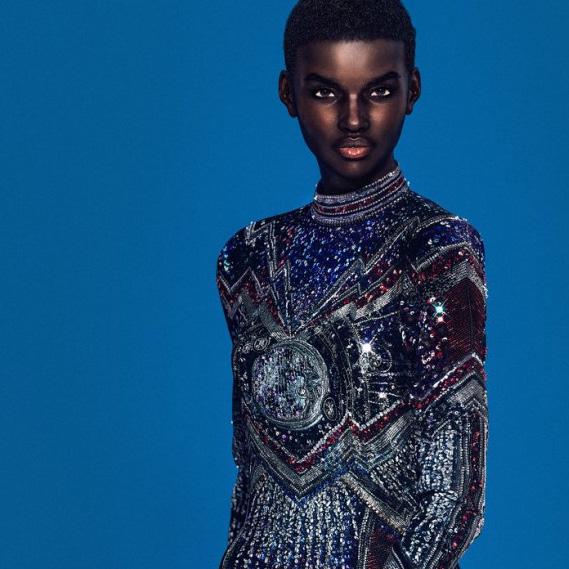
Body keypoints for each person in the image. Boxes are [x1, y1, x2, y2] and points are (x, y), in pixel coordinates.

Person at [215, 1, 488, 567]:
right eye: (325, 92)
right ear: (288, 94)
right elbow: (249, 471)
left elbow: (454, 494)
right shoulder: (248, 258)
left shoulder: (435, 248)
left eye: (379, 91)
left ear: (412, 90)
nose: (354, 118)